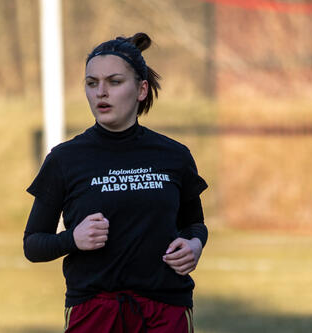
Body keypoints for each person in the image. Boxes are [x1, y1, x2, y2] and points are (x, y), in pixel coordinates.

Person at [24, 33, 208, 332]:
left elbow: (195, 224)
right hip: (94, 310)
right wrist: (72, 239)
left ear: (141, 89)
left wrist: (195, 245)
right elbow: (33, 244)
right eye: (92, 83)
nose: (101, 93)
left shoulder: (174, 155)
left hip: (165, 308)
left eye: (114, 81)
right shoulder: (65, 159)